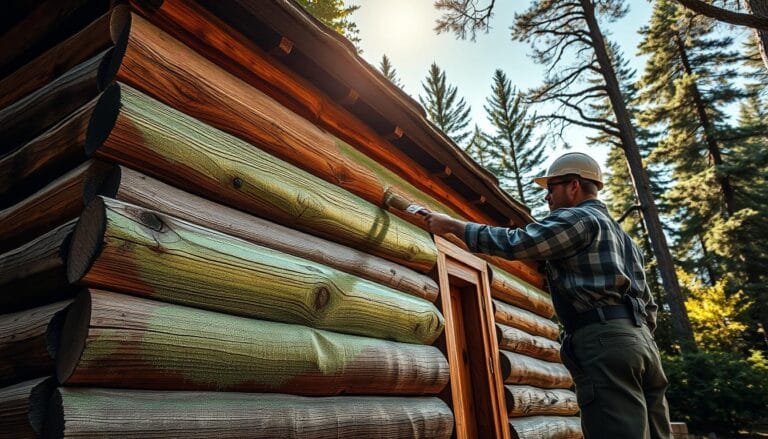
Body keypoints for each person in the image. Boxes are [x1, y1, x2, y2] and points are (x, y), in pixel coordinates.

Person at [423, 152, 671, 439]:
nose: (547, 198)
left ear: (573, 185)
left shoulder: (577, 218)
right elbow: (649, 305)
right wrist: (632, 335)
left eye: (551, 188)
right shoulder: (626, 239)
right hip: (643, 343)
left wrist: (454, 226)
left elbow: (520, 242)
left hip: (604, 341)